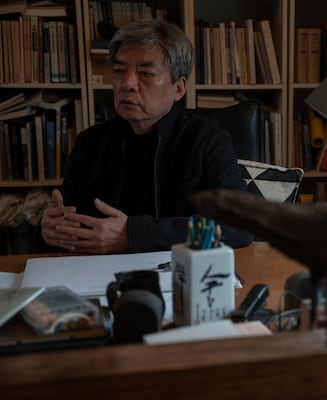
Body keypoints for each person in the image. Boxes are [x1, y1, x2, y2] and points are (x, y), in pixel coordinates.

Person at [40, 19, 253, 254]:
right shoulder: (89, 143)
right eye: (120, 71)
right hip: (98, 276)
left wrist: (132, 235)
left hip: (176, 275)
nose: (127, 83)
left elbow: (238, 227)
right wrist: (51, 229)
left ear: (179, 88)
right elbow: (71, 221)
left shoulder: (207, 141)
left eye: (145, 73)